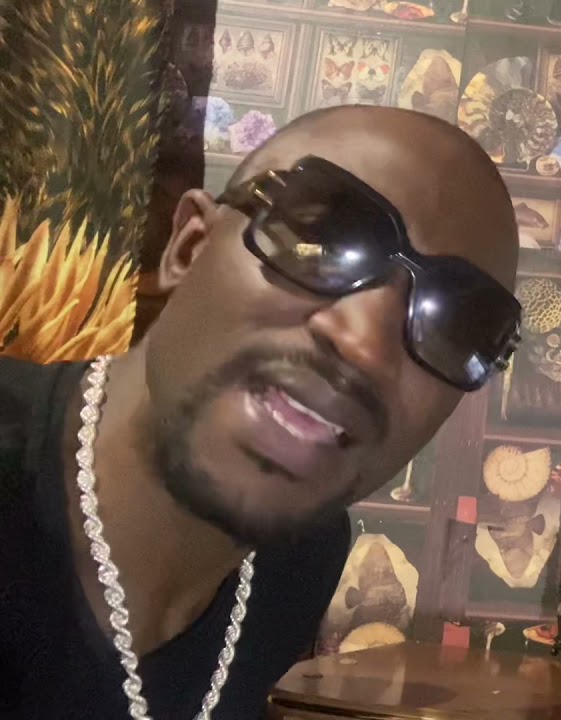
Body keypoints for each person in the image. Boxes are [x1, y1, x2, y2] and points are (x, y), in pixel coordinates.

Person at [0, 106, 522, 718]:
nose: (365, 344)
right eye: (323, 242)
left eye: (456, 327)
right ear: (189, 247)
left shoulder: (299, 560)